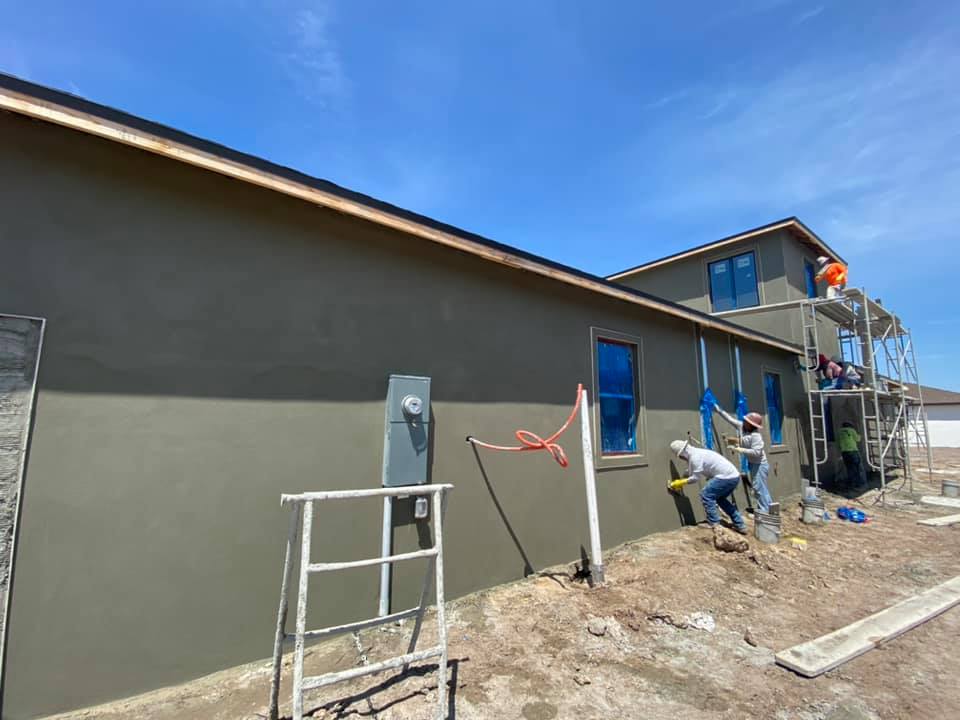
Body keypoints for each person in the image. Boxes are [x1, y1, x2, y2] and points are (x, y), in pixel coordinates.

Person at [669, 440, 748, 534]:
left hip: (726, 477)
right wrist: (682, 479)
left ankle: (715, 524)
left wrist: (681, 482)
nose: (681, 458)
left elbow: (695, 478)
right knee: (720, 499)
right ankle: (740, 525)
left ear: (682, 453)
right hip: (733, 476)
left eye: (680, 456)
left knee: (706, 495)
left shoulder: (695, 457)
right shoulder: (695, 453)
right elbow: (690, 470)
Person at [713, 406, 774, 514]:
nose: (744, 422)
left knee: (759, 488)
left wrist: (740, 449)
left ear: (751, 425)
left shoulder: (756, 436)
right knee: (760, 487)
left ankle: (765, 512)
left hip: (760, 464)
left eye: (746, 421)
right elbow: (729, 419)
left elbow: (756, 452)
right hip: (753, 463)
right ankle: (769, 509)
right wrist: (718, 409)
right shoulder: (742, 427)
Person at [836, 421, 866, 488]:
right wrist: (860, 435)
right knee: (858, 468)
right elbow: (858, 439)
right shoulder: (851, 430)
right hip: (853, 451)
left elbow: (838, 443)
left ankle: (852, 483)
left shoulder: (839, 432)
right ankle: (860, 484)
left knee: (849, 469)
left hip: (844, 452)